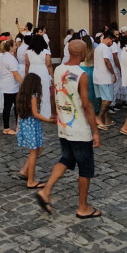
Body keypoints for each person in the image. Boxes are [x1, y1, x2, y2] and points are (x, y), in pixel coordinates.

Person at [36, 40, 101, 218]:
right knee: (85, 169)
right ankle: (83, 207)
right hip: (79, 128)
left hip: (64, 125)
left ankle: (46, 190)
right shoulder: (81, 75)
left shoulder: (59, 70)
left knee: (66, 159)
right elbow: (86, 105)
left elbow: (54, 91)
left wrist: (55, 114)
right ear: (82, 54)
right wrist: (95, 130)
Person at [16, 73, 54, 189]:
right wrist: (48, 120)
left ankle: (25, 171)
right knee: (34, 152)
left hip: (26, 123)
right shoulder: (33, 96)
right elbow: (35, 113)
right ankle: (31, 181)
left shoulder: (22, 95)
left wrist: (18, 126)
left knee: (39, 148)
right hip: (32, 125)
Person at [24, 35, 53, 121]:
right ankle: (45, 113)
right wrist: (52, 75)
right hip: (43, 72)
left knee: (33, 93)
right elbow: (48, 64)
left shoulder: (28, 52)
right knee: (44, 92)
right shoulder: (46, 52)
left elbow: (27, 64)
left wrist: (26, 75)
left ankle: (33, 111)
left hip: (32, 71)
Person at [92, 32, 117, 130]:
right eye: (112, 41)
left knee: (104, 99)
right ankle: (98, 117)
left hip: (98, 76)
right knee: (108, 99)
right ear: (108, 39)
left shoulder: (98, 47)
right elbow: (107, 61)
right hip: (105, 77)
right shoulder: (105, 48)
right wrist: (113, 73)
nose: (112, 43)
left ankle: (107, 119)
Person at [0, 39, 22, 135]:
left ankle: (16, 126)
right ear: (11, 47)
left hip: (9, 85)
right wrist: (23, 83)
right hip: (10, 86)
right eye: (15, 45)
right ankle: (7, 128)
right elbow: (15, 74)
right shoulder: (10, 58)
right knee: (10, 107)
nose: (16, 47)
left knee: (13, 107)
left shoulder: (6, 56)